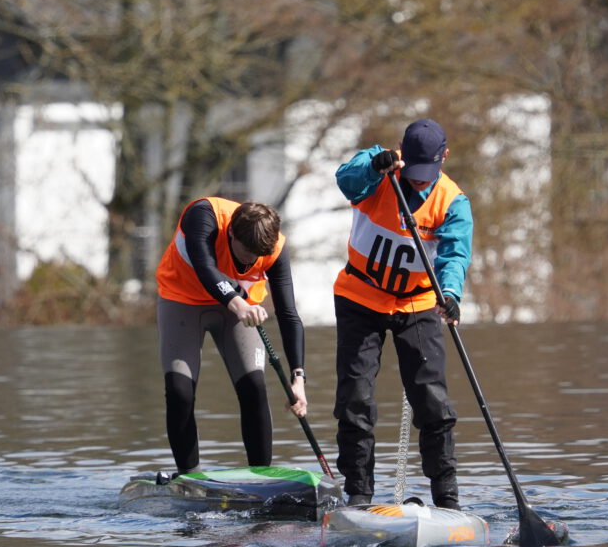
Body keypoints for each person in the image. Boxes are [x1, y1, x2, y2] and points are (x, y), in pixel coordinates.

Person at [332, 118, 472, 508]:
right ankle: (359, 493)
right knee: (356, 397)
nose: (419, 180)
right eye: (413, 170)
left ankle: (446, 497)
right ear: (400, 152)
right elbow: (346, 179)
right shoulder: (379, 168)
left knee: (432, 400)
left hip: (417, 303)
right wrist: (373, 167)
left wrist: (451, 294)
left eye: (427, 172)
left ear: (444, 158)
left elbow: (454, 256)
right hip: (360, 298)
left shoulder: (453, 202)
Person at [155, 197, 308, 475]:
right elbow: (206, 268)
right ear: (232, 234)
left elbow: (288, 314)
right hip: (182, 299)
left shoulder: (275, 247)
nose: (250, 261)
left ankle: (261, 477)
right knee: (179, 391)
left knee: (254, 387)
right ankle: (190, 476)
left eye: (258, 255)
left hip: (239, 307)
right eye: (246, 252)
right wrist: (239, 305)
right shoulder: (203, 216)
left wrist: (298, 378)